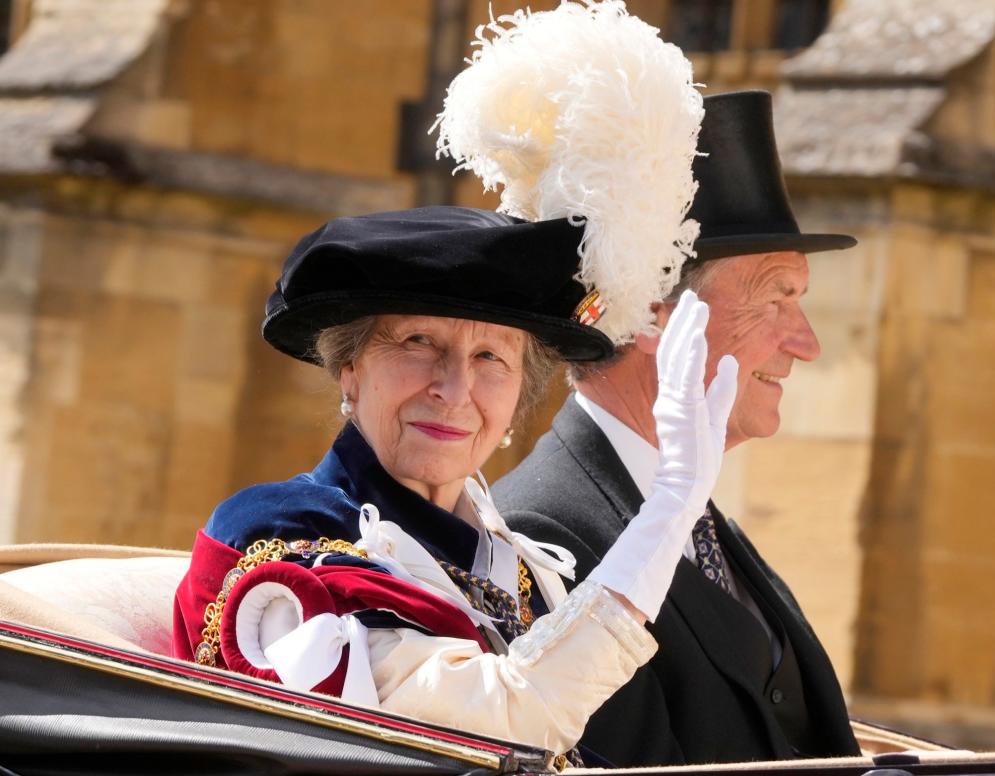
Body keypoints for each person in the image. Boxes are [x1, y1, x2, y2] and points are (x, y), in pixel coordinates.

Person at [171, 206, 737, 764]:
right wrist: (668, 508)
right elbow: (506, 724)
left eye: (491, 356)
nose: (455, 387)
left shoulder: (519, 566)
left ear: (518, 396)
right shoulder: (283, 534)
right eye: (419, 342)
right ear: (350, 367)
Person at [492, 90, 864, 766]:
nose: (805, 343)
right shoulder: (542, 533)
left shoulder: (703, 522)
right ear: (654, 316)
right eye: (775, 297)